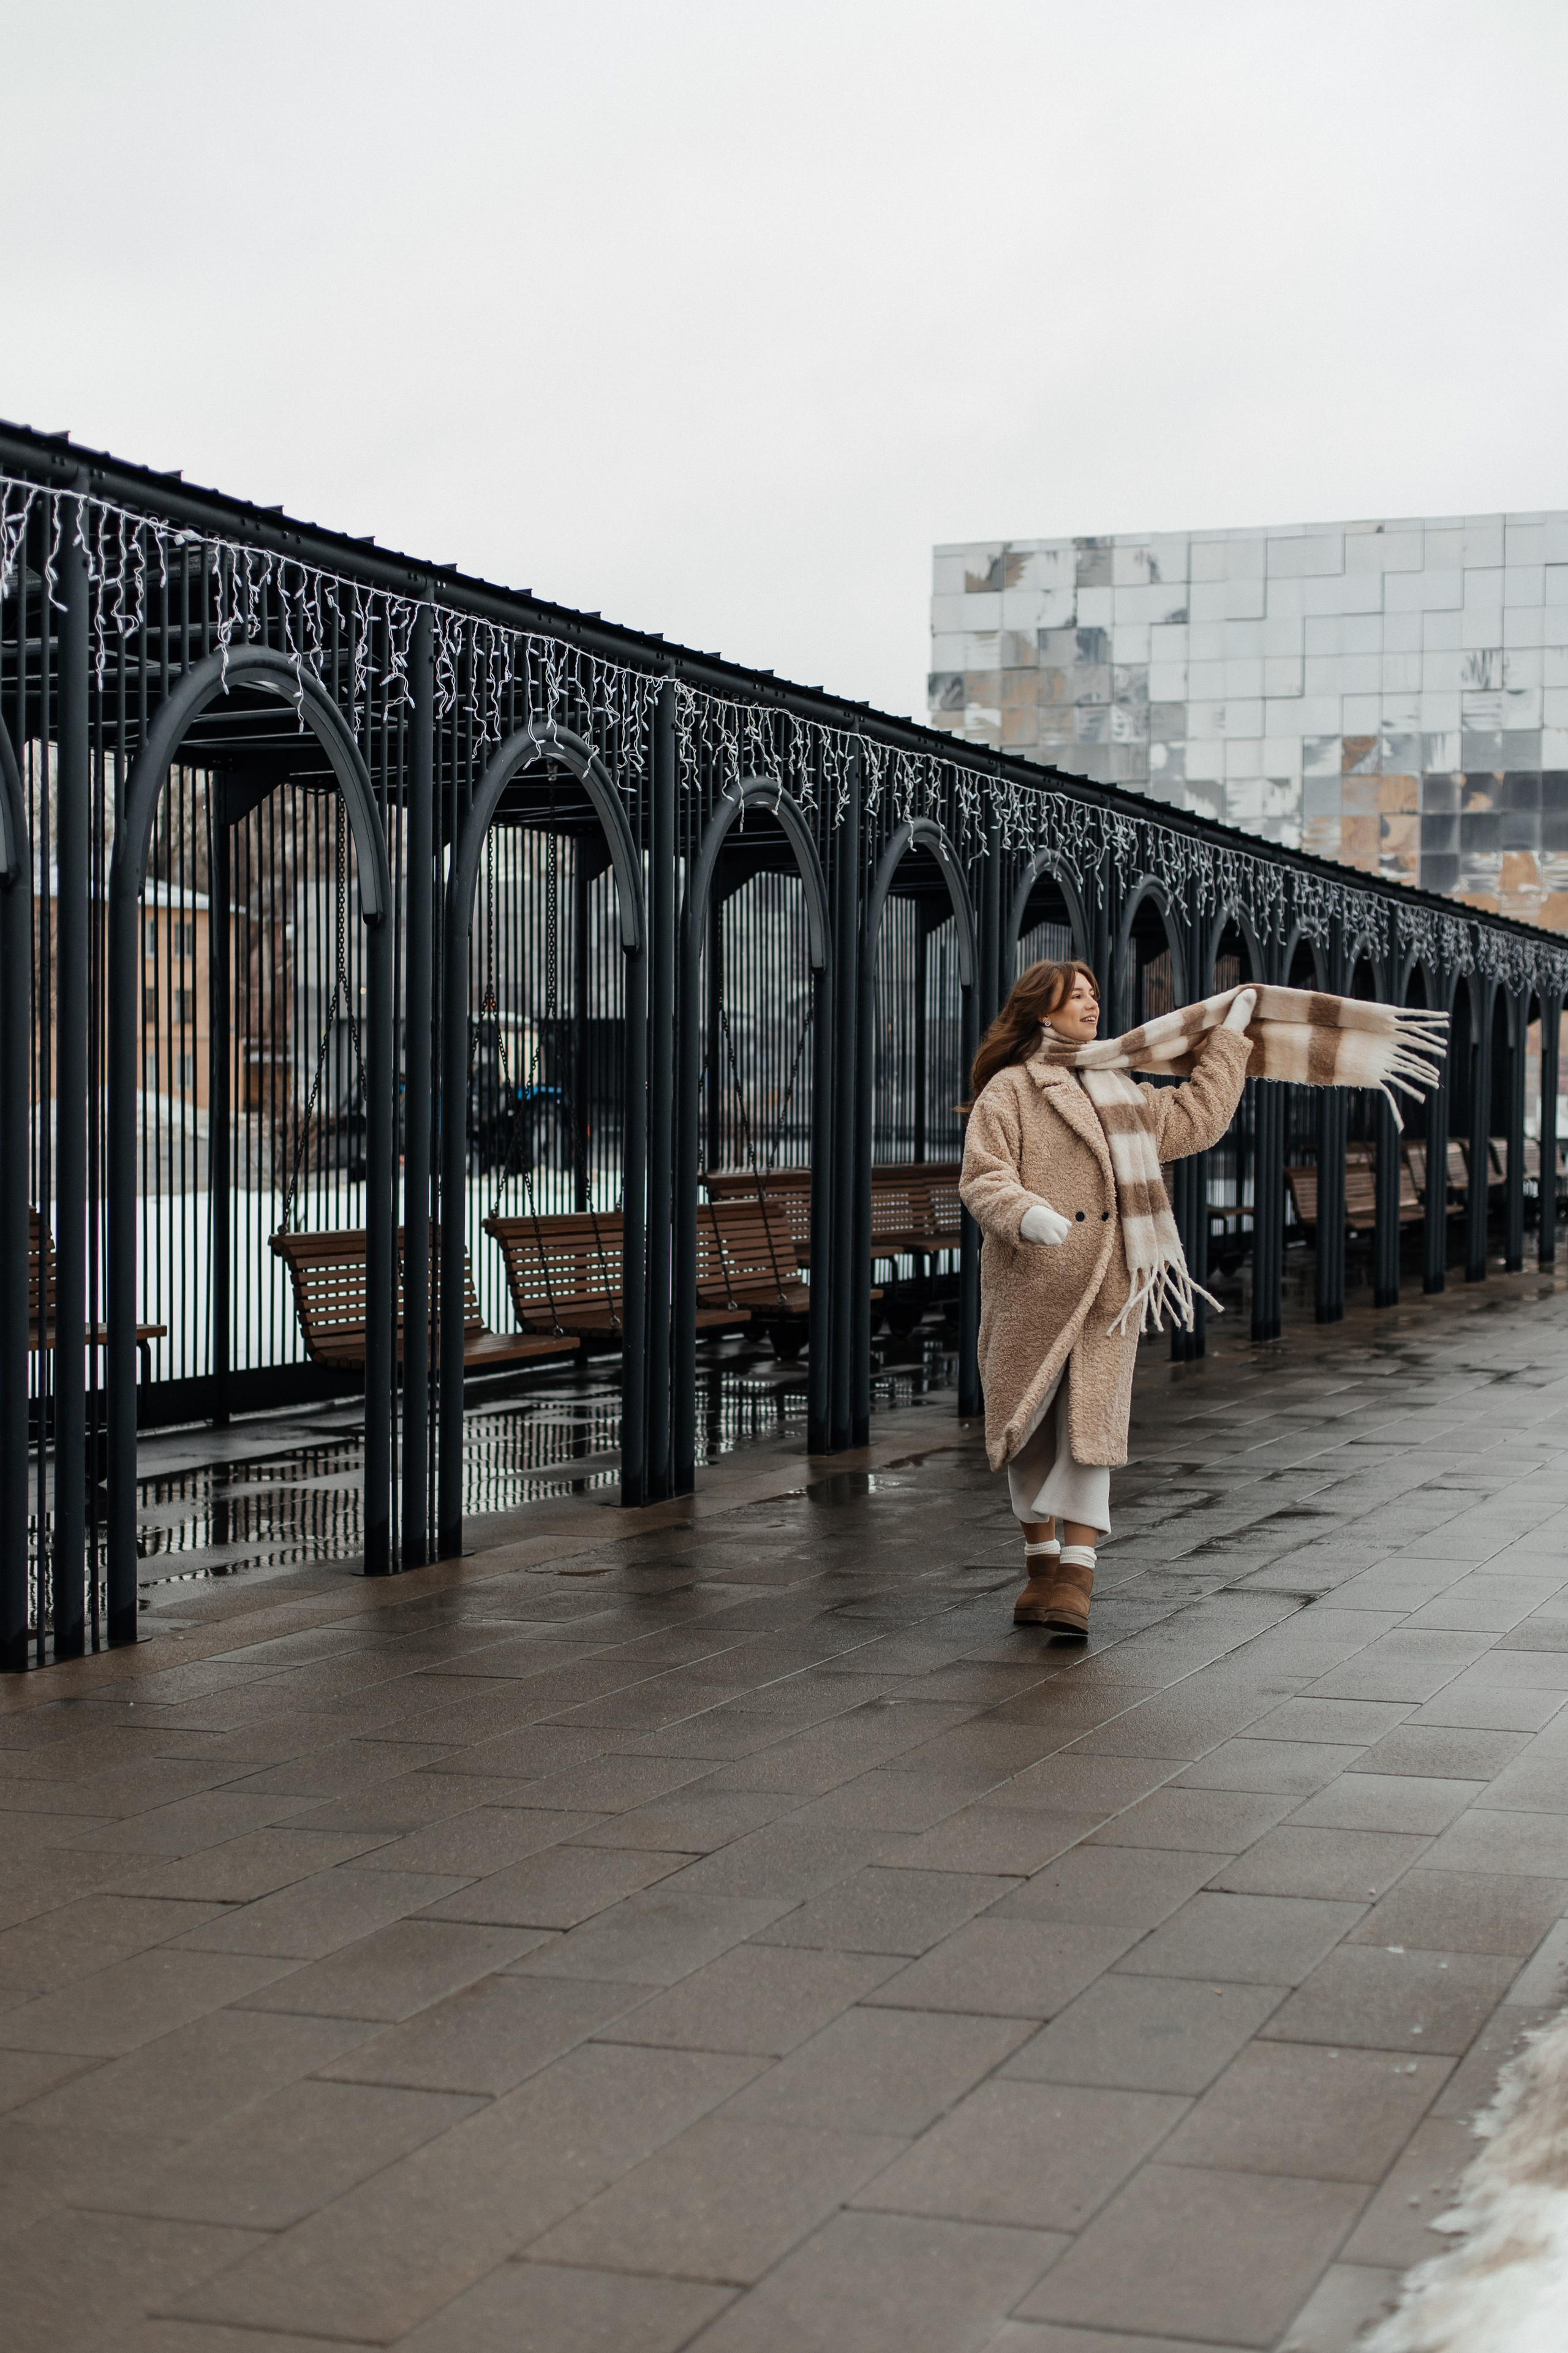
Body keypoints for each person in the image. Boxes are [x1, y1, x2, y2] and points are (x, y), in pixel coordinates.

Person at [959, 959, 1255, 1635]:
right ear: (1042, 1011)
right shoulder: (1009, 1090)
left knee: (1090, 1434)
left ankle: (1077, 1577)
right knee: (1026, 1428)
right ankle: (1040, 1570)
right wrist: (1025, 1213)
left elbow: (1199, 1117)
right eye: (1076, 996)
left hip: (1106, 1290)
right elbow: (982, 1177)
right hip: (1029, 1286)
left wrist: (1230, 1039)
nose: (1092, 1005)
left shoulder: (1117, 1085)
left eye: (1095, 994)